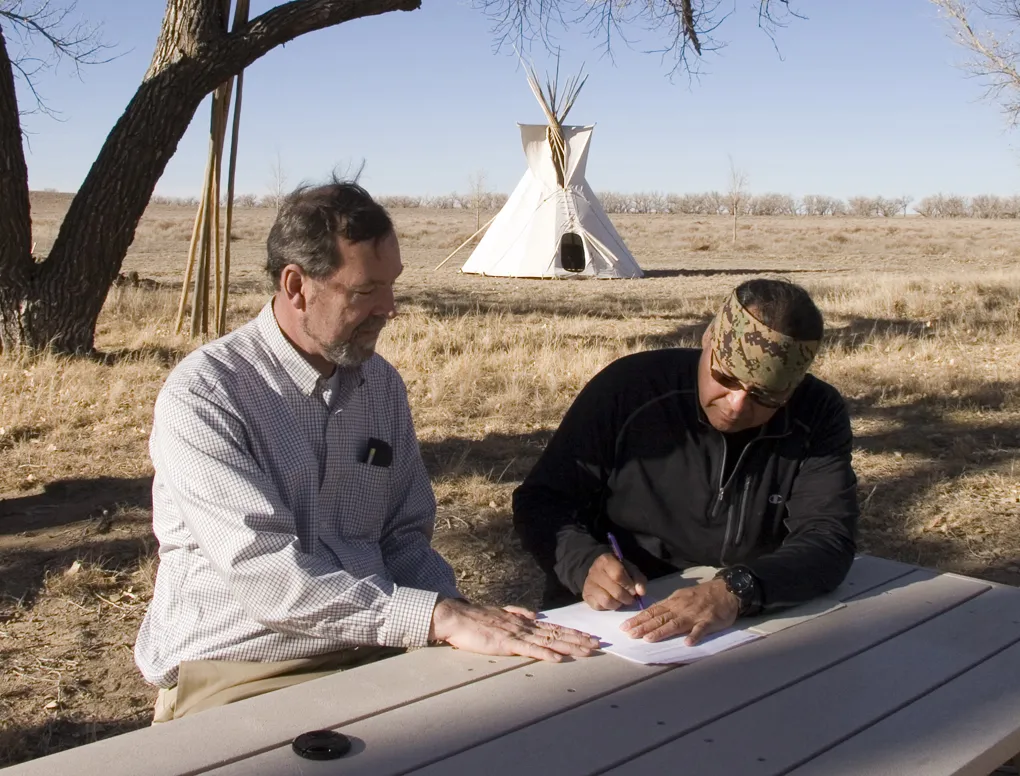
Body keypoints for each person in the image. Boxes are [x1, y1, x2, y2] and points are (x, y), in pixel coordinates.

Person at [135, 179, 597, 722]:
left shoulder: (380, 386)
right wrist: (435, 618)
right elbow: (266, 575)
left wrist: (457, 611)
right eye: (365, 291)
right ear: (296, 286)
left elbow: (403, 537)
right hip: (243, 665)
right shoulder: (207, 395)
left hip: (376, 645)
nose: (389, 308)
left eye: (391, 285)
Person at [512, 278, 858, 647]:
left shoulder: (817, 413)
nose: (737, 404)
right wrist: (582, 562)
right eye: (725, 376)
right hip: (611, 622)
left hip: (747, 626)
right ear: (707, 339)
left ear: (792, 389)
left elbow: (828, 538)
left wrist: (736, 590)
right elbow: (541, 500)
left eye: (765, 395)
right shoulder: (631, 388)